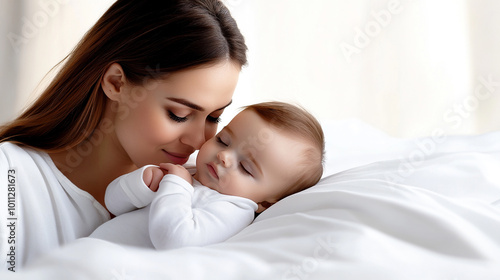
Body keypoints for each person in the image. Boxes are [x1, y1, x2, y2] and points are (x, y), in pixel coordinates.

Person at [0, 0, 247, 271]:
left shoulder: (211, 195)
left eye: (214, 118)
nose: (199, 141)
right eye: (179, 114)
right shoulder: (10, 176)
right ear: (116, 83)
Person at [90, 102, 325, 249]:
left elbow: (174, 240)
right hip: (85, 253)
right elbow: (112, 204)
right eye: (223, 140)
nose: (224, 157)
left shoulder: (232, 209)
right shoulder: (188, 172)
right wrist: (142, 184)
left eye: (245, 168)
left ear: (264, 203)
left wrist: (177, 187)